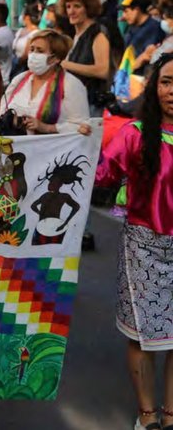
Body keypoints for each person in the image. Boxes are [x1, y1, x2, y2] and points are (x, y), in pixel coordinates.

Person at [95, 52, 173, 430]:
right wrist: (67, 145)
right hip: (144, 245)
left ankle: (171, 414)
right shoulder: (135, 134)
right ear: (154, 86)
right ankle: (148, 416)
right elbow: (100, 176)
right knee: (143, 334)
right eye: (167, 82)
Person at [1, 29, 91, 135]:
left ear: (55, 58)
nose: (34, 55)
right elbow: (3, 110)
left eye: (40, 51)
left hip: (53, 149)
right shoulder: (19, 80)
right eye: (32, 49)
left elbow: (83, 128)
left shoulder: (71, 85)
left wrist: (46, 127)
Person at [59, 0, 113, 116]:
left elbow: (103, 71)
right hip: (75, 102)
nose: (71, 11)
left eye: (77, 6)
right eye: (68, 7)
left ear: (88, 8)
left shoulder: (97, 33)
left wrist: (65, 64)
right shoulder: (76, 35)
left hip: (92, 104)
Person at [122, 0, 166, 76]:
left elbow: (149, 55)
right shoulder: (130, 28)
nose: (123, 16)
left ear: (136, 10)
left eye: (126, 11)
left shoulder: (155, 27)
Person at [12, 4, 41, 76]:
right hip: (15, 63)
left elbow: (26, 54)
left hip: (23, 68)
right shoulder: (21, 30)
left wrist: (16, 63)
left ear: (27, 17)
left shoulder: (36, 33)